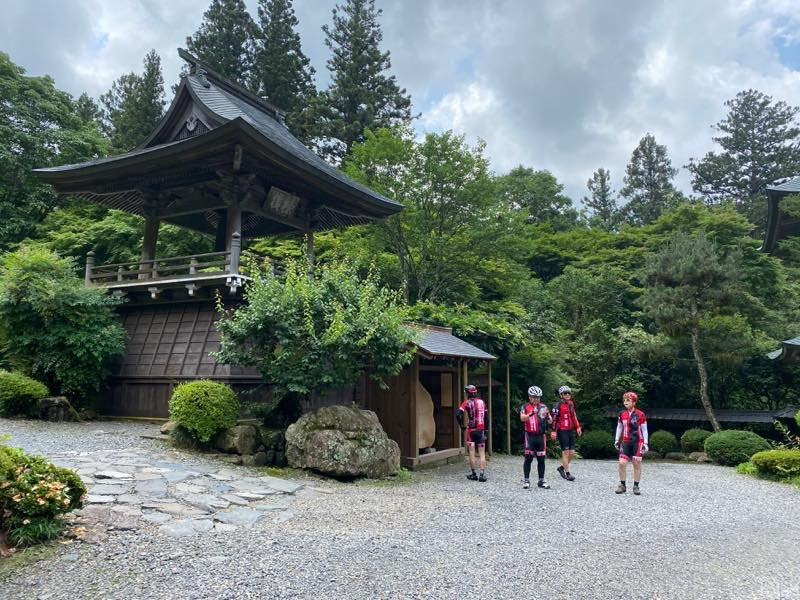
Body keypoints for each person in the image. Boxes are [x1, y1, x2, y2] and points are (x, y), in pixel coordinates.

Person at [614, 391, 649, 495]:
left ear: (634, 402)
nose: (625, 402)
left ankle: (636, 486)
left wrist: (646, 443)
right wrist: (616, 440)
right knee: (622, 463)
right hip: (625, 441)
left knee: (636, 464)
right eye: (624, 400)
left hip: (638, 442)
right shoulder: (622, 414)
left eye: (628, 400)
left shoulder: (640, 414)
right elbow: (619, 427)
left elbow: (645, 429)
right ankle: (622, 485)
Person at [520, 386, 552, 489]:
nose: (536, 399)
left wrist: (548, 417)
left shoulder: (543, 406)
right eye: (534, 397)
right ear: (529, 397)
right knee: (528, 458)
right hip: (529, 436)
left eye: (538, 397)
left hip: (541, 436)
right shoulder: (525, 406)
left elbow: (550, 421)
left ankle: (541, 480)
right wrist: (531, 413)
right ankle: (526, 480)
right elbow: (522, 418)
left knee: (541, 459)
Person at [456, 384, 488, 482]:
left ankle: (474, 474)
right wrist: (486, 430)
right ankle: (482, 475)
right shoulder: (482, 402)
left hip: (471, 431)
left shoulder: (466, 403)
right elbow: (486, 417)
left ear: (468, 393)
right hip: (481, 430)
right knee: (482, 453)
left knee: (472, 453)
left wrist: (461, 426)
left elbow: (458, 415)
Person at [550, 385, 582, 481]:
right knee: (566, 452)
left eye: (569, 393)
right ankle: (568, 473)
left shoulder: (571, 404)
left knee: (572, 453)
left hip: (570, 430)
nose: (567, 395)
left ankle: (561, 468)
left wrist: (577, 427)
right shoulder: (557, 405)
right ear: (561, 395)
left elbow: (574, 416)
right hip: (561, 430)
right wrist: (553, 431)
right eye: (565, 393)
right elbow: (554, 419)